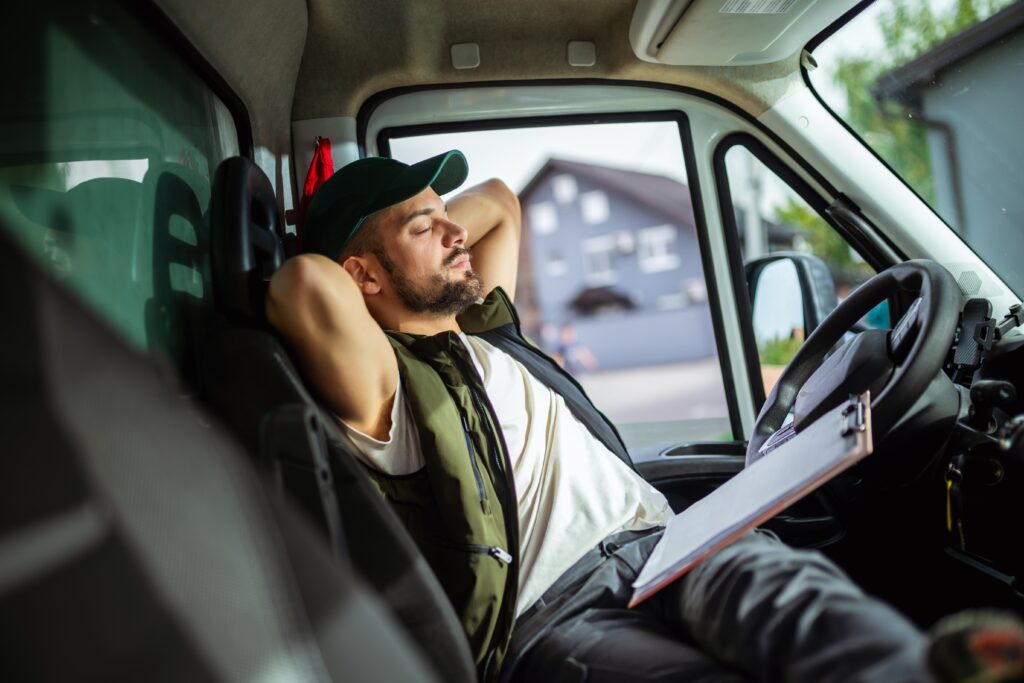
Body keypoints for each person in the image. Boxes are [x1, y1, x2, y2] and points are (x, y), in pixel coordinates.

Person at [266, 151, 931, 683]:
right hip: (559, 612)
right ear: (364, 277)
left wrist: (418, 229)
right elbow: (304, 285)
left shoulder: (482, 333)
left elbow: (498, 199)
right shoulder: (386, 385)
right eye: (424, 227)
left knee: (806, 605)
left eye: (445, 214)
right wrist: (362, 250)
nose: (455, 230)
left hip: (668, 542)